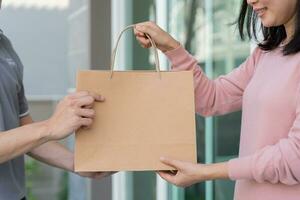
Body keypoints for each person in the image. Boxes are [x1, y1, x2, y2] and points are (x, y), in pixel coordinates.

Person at [134, 0, 300, 199]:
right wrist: (172, 48)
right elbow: (212, 99)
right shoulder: (265, 55)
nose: (250, 1)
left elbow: (295, 157)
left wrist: (207, 171)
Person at [0, 2, 111, 200]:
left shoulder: (4, 46)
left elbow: (22, 130)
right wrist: (50, 126)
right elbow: (40, 131)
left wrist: (76, 162)